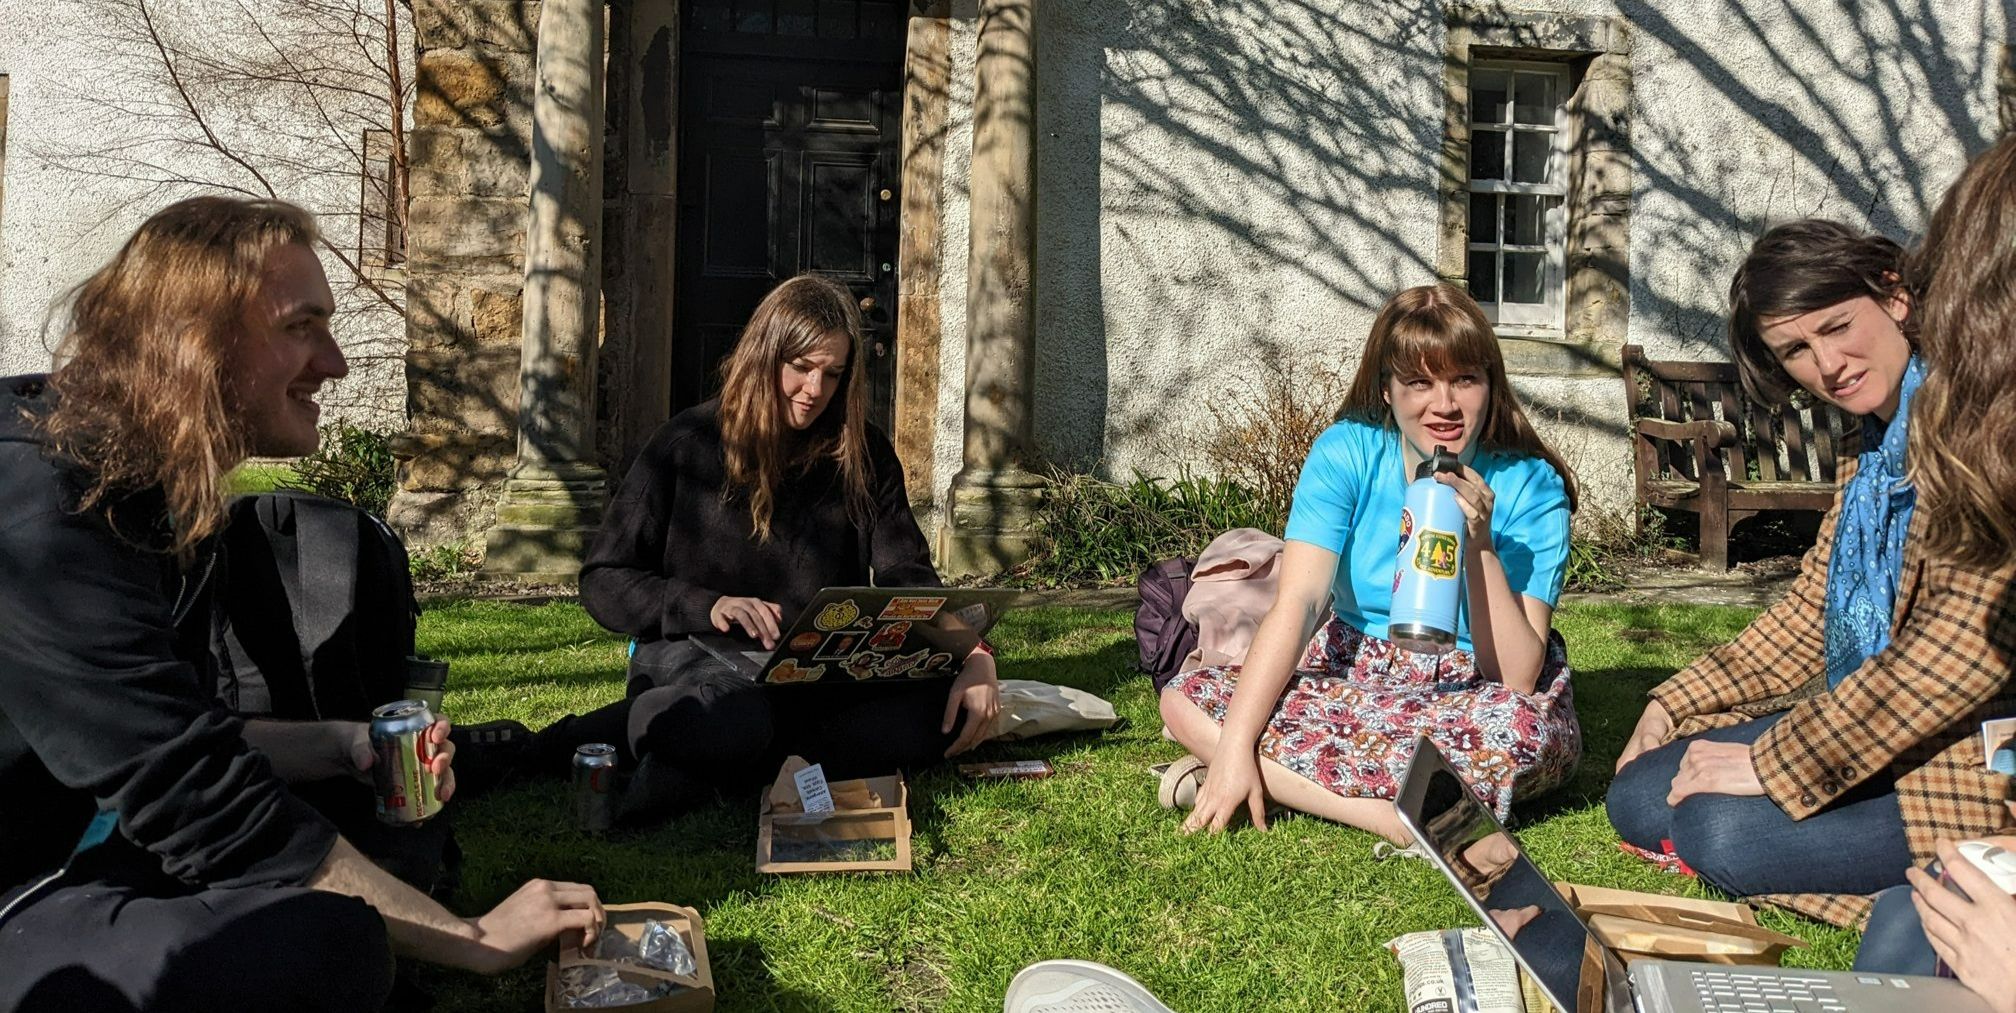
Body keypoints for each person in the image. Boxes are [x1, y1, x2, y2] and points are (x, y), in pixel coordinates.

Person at [0, 197, 604, 1012]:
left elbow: (180, 728)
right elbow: (197, 796)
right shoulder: (42, 515)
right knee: (328, 948)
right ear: (191, 340)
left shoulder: (153, 489)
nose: (336, 362)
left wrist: (341, 741)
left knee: (371, 813)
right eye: (301, 326)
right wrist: (475, 938)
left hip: (102, 837)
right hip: (26, 890)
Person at [1606, 207, 2016, 933]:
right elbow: (1810, 611)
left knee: (1716, 832)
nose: (1826, 365)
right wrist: (1674, 699)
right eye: (1795, 349)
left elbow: (1954, 660)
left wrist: (1773, 760)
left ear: (1896, 295)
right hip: (1869, 726)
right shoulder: (1872, 446)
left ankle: (1932, 890)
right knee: (1640, 791)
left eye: (1835, 326)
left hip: (1961, 760)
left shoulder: (1983, 431)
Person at [528, 274, 999, 821]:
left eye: (833, 374)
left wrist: (973, 657)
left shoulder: (863, 453)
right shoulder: (684, 445)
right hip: (698, 658)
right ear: (765, 356)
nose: (814, 390)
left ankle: (706, 766)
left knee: (944, 708)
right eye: (800, 367)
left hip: (814, 676)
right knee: (735, 714)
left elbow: (908, 579)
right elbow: (603, 580)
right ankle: (613, 736)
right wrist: (708, 605)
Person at [1161, 283, 1581, 842]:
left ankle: (1274, 778)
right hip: (1354, 666)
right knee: (1182, 700)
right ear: (1386, 389)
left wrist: (1479, 545)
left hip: (1474, 686)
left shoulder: (1531, 483)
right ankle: (1386, 814)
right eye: (1418, 383)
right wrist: (1236, 743)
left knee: (1522, 734)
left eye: (1464, 379)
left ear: (1490, 384)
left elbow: (1517, 677)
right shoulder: (1347, 451)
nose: (1445, 405)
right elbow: (1301, 602)